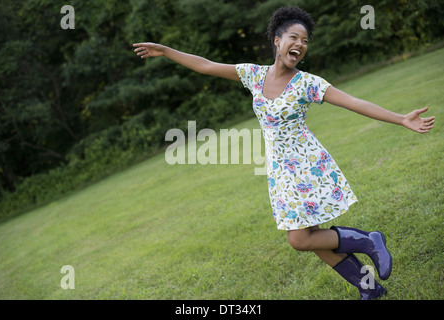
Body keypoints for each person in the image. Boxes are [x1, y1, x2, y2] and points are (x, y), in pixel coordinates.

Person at [133, 6, 435, 300]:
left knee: (300, 239)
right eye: (294, 37)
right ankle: (368, 287)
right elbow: (206, 65)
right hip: (280, 172)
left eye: (304, 41)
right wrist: (167, 51)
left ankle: (368, 240)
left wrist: (400, 118)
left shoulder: (307, 83)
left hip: (307, 167)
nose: (300, 45)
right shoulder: (254, 75)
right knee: (313, 240)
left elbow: (353, 102)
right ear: (277, 41)